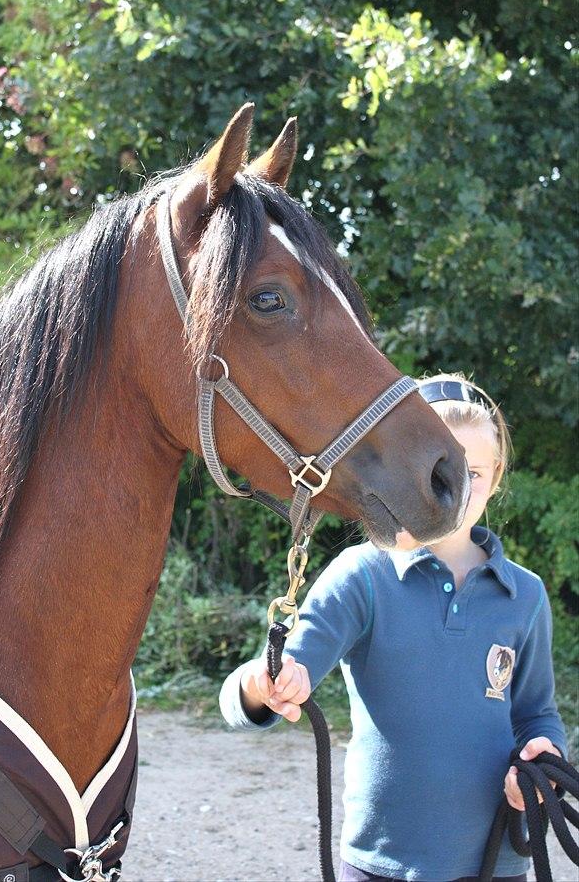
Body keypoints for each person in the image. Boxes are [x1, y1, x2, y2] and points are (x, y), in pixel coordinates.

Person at [219, 373, 567, 882]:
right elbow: (276, 674)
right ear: (406, 469)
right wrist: (260, 687)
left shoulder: (526, 596)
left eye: (474, 472)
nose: (459, 487)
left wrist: (543, 764)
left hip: (498, 860)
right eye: (440, 470)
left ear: (496, 478)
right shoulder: (363, 576)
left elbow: (537, 715)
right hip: (381, 861)